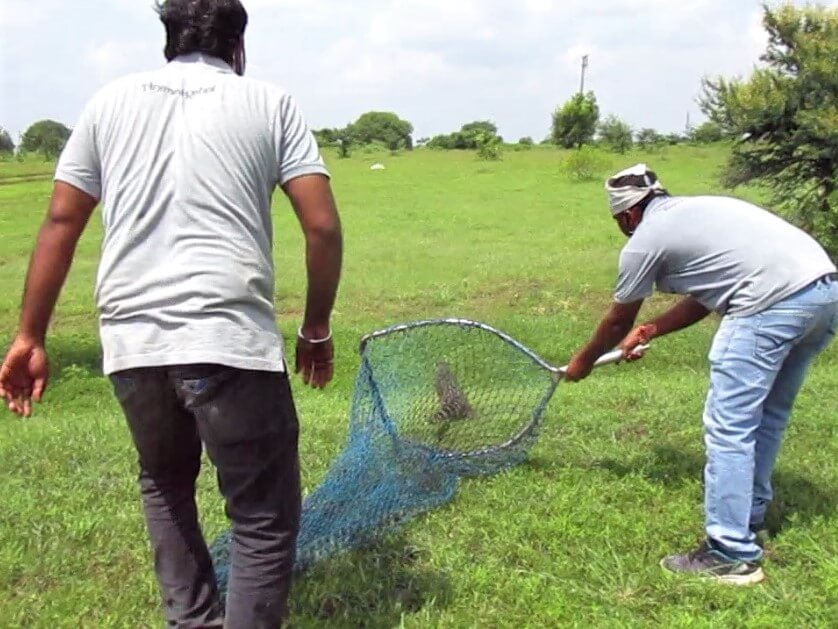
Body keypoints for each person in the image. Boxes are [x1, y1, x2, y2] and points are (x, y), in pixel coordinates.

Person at [0, 0, 343, 626]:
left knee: (164, 483)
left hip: (133, 344)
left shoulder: (108, 103)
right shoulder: (269, 102)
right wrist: (315, 330)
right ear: (238, 46)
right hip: (227, 336)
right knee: (262, 518)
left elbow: (60, 220)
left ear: (167, 37)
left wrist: (30, 334)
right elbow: (320, 228)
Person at [564, 163, 837, 585]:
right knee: (768, 416)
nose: (623, 228)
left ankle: (730, 552)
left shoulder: (645, 240)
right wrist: (653, 329)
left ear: (628, 215)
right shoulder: (697, 211)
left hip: (770, 303)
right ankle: (750, 516)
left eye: (620, 221)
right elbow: (709, 295)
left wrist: (581, 363)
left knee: (730, 427)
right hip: (822, 293)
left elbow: (618, 321)